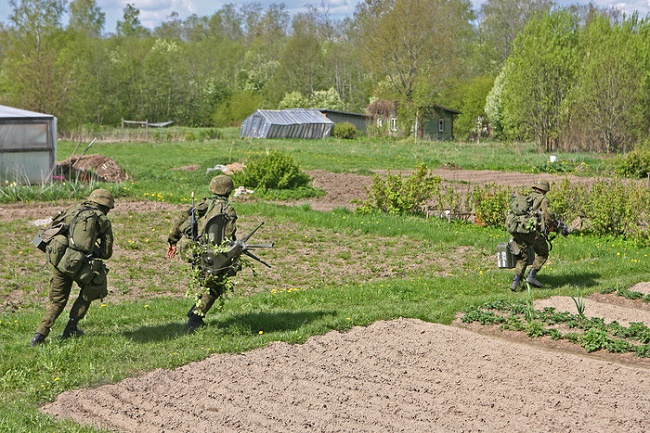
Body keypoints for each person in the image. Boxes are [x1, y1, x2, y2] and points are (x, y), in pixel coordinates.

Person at [30, 189, 114, 346]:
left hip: (58, 260)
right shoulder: (102, 220)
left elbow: (52, 229)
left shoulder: (72, 209)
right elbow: (106, 252)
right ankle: (72, 327)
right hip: (79, 265)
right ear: (106, 206)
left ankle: (39, 336)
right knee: (95, 285)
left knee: (57, 302)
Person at [167, 175, 238, 333]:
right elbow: (228, 235)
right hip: (214, 254)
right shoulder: (228, 209)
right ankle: (195, 319)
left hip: (193, 251)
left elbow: (180, 221)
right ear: (228, 191)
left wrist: (173, 241)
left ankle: (196, 314)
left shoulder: (202, 204)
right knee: (214, 286)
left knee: (206, 283)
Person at [510, 179, 553, 292]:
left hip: (517, 230)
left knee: (522, 257)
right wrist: (550, 226)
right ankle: (531, 276)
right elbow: (547, 215)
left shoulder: (526, 197)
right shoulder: (542, 199)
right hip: (531, 232)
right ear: (544, 190)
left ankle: (515, 282)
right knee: (543, 252)